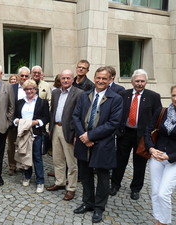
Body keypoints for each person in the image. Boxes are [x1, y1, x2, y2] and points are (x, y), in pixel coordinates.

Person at [72, 66, 123, 223]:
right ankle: (88, 202)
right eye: (98, 78)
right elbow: (75, 116)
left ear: (110, 80)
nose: (101, 81)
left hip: (103, 144)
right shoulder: (85, 95)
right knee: (85, 176)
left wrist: (91, 136)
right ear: (94, 78)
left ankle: (99, 208)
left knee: (102, 177)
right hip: (83, 142)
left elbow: (113, 123)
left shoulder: (116, 98)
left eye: (104, 78)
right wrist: (83, 136)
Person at [110, 69, 162, 200]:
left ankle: (136, 188)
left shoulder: (154, 96)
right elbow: (117, 113)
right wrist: (117, 130)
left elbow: (158, 118)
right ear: (132, 81)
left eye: (142, 81)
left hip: (143, 136)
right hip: (125, 133)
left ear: (146, 82)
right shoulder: (123, 94)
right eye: (137, 81)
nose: (140, 84)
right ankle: (115, 185)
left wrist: (152, 136)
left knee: (140, 163)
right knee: (120, 160)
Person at [46, 69, 83, 201]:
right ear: (60, 80)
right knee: (57, 158)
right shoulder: (55, 92)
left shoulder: (79, 94)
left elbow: (80, 115)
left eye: (68, 78)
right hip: (56, 128)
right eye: (63, 78)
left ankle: (71, 188)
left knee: (71, 162)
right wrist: (51, 127)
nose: (65, 80)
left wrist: (76, 134)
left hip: (70, 131)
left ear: (73, 79)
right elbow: (52, 111)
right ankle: (60, 182)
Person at [145, 85, 176, 225]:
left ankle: (164, 222)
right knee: (156, 192)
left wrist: (169, 157)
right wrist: (151, 149)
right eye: (174, 95)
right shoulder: (162, 111)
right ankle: (158, 221)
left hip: (173, 160)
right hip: (156, 157)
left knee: (164, 194)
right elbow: (148, 130)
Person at [14, 79, 49, 193]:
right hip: (23, 134)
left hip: (36, 133)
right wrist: (17, 121)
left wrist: (36, 122)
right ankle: (27, 176)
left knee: (37, 157)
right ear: (24, 90)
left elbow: (46, 118)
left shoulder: (42, 102)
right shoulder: (20, 102)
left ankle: (40, 181)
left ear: (35, 89)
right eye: (26, 89)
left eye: (31, 89)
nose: (29, 91)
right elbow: (15, 117)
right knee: (25, 155)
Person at [7, 67, 30, 176]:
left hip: (26, 123)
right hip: (13, 122)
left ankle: (23, 165)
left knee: (24, 145)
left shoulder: (32, 88)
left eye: (26, 76)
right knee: (11, 145)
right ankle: (12, 166)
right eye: (22, 75)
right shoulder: (12, 87)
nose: (24, 78)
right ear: (18, 76)